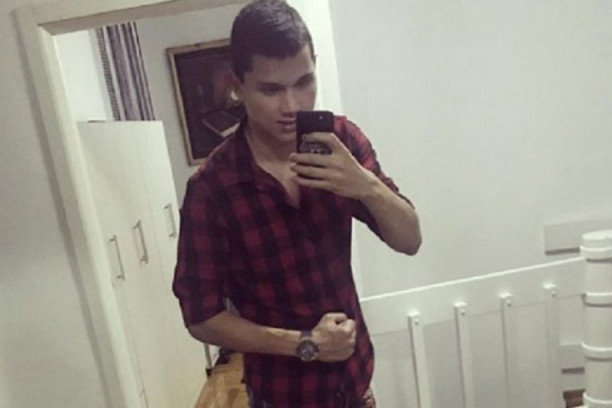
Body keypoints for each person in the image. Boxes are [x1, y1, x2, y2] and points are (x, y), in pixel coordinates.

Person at [172, 1, 422, 407]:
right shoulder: (213, 188)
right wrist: (306, 343)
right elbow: (200, 315)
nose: (292, 105)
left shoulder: (341, 142)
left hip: (355, 384)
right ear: (238, 84)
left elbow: (410, 240)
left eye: (304, 82)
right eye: (271, 89)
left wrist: (366, 186)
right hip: (282, 395)